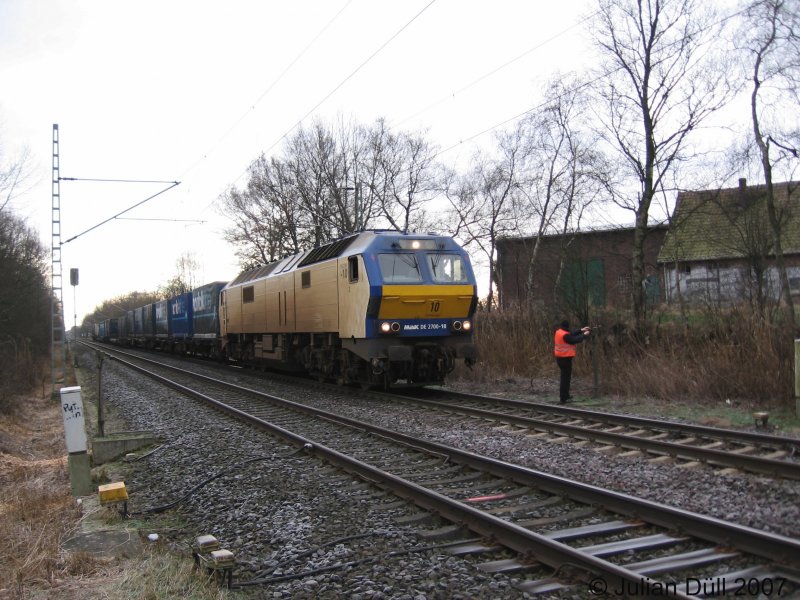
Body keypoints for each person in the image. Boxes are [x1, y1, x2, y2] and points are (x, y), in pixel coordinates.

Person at [554, 320, 590, 403]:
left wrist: (581, 330)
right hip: (565, 359)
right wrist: (584, 335)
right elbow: (574, 339)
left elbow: (571, 334)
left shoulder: (559, 332)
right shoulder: (565, 335)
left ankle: (566, 396)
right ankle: (563, 398)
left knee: (566, 378)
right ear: (567, 327)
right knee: (565, 380)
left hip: (561, 358)